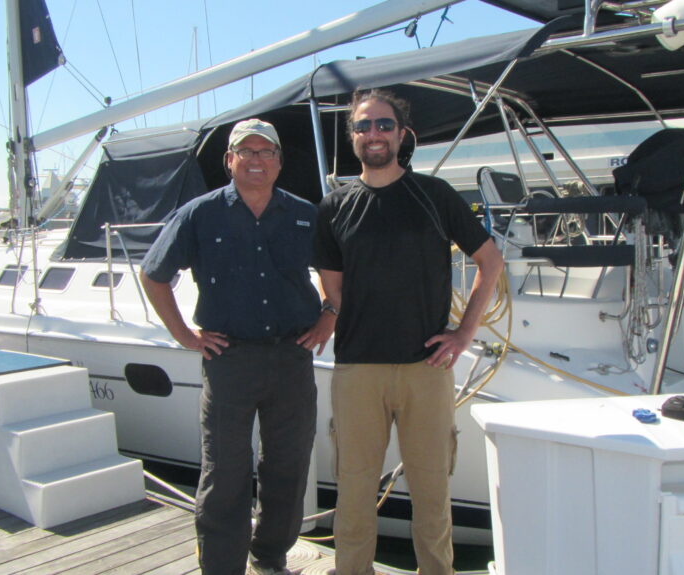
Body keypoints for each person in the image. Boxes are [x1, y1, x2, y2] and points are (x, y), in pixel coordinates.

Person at [313, 90, 504, 575]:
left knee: (432, 490)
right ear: (353, 136)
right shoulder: (334, 207)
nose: (373, 134)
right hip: (357, 369)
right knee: (354, 491)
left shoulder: (435, 196)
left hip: (427, 368)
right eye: (362, 126)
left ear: (401, 134)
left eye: (382, 124)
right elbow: (333, 292)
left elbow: (490, 261)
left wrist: (464, 334)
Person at [140, 118, 330, 575]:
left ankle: (269, 558)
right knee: (225, 471)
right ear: (230, 161)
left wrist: (330, 315)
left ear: (280, 162)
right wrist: (184, 335)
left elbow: (334, 270)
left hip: (292, 358)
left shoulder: (306, 214)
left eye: (267, 152)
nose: (257, 160)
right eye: (247, 152)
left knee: (288, 467)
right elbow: (154, 274)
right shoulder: (200, 214)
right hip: (230, 360)